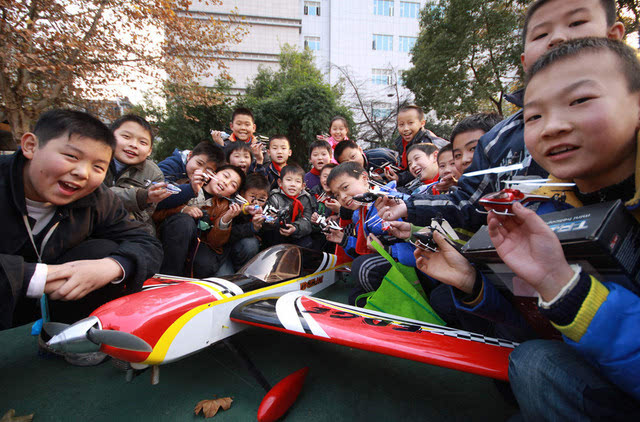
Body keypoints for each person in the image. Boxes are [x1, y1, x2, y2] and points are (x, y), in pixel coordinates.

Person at [416, 38, 640, 420]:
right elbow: (535, 328)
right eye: (534, 116)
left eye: (580, 100)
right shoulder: (541, 210)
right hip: (592, 374)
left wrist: (571, 292)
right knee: (534, 361)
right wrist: (472, 283)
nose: (552, 126)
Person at [379, 0, 625, 230]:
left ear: (614, 36)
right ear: (525, 61)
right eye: (541, 34)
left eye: (577, 22)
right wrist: (407, 208)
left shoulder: (628, 116)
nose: (558, 38)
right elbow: (471, 202)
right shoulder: (499, 139)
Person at [0, 109, 163, 334]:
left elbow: (146, 242)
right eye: (72, 157)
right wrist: (36, 277)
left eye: (98, 167)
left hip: (59, 301)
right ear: (30, 146)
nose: (83, 173)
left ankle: (72, 338)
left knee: (103, 250)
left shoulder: (97, 196)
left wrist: (113, 266)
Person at [325, 162, 417, 305]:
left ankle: (405, 303)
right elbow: (366, 248)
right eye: (337, 195)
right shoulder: (359, 213)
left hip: (415, 269)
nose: (342, 197)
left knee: (363, 267)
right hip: (391, 262)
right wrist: (343, 240)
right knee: (355, 299)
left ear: (364, 178)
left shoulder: (393, 201)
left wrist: (388, 250)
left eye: (345, 187)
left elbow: (418, 248)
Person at [154, 165, 245, 278]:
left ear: (232, 194)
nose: (226, 183)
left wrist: (226, 219)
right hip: (169, 237)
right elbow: (156, 213)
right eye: (225, 176)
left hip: (196, 247)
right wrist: (183, 209)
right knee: (184, 222)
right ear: (213, 174)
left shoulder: (225, 207)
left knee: (206, 264)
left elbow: (214, 243)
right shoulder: (187, 184)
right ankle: (167, 277)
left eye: (233, 185)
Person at [104, 114, 171, 235]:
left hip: (130, 230)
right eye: (126, 136)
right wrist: (141, 196)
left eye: (143, 142)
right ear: (110, 137)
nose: (134, 145)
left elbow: (143, 215)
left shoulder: (154, 173)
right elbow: (91, 193)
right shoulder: (94, 159)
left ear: (150, 150)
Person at [388, 105, 448, 186]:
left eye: (410, 123)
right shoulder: (401, 143)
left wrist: (400, 178)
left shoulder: (426, 143)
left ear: (422, 123)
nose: (405, 128)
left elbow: (422, 172)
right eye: (401, 125)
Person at [155, 141, 224, 210]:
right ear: (189, 156)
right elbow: (157, 198)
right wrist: (191, 189)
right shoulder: (170, 166)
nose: (201, 171)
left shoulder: (206, 182)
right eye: (199, 163)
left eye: (208, 170)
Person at [262, 165, 313, 248]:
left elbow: (307, 220)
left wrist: (295, 228)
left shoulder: (306, 198)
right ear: (280, 182)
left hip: (297, 233)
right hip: (278, 232)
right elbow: (266, 218)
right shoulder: (274, 197)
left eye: (297, 181)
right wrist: (271, 221)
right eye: (288, 180)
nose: (292, 184)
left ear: (303, 186)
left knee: (307, 242)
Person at [227, 173, 269, 271]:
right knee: (250, 244)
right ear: (242, 194)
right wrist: (251, 227)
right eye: (252, 196)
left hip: (252, 255)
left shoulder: (266, 209)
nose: (256, 202)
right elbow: (228, 234)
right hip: (229, 251)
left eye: (261, 199)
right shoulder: (234, 207)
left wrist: (268, 224)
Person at [334, 140, 399, 181]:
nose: (352, 163)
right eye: (346, 162)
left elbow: (402, 170)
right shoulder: (348, 174)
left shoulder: (381, 157)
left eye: (353, 156)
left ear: (360, 150)